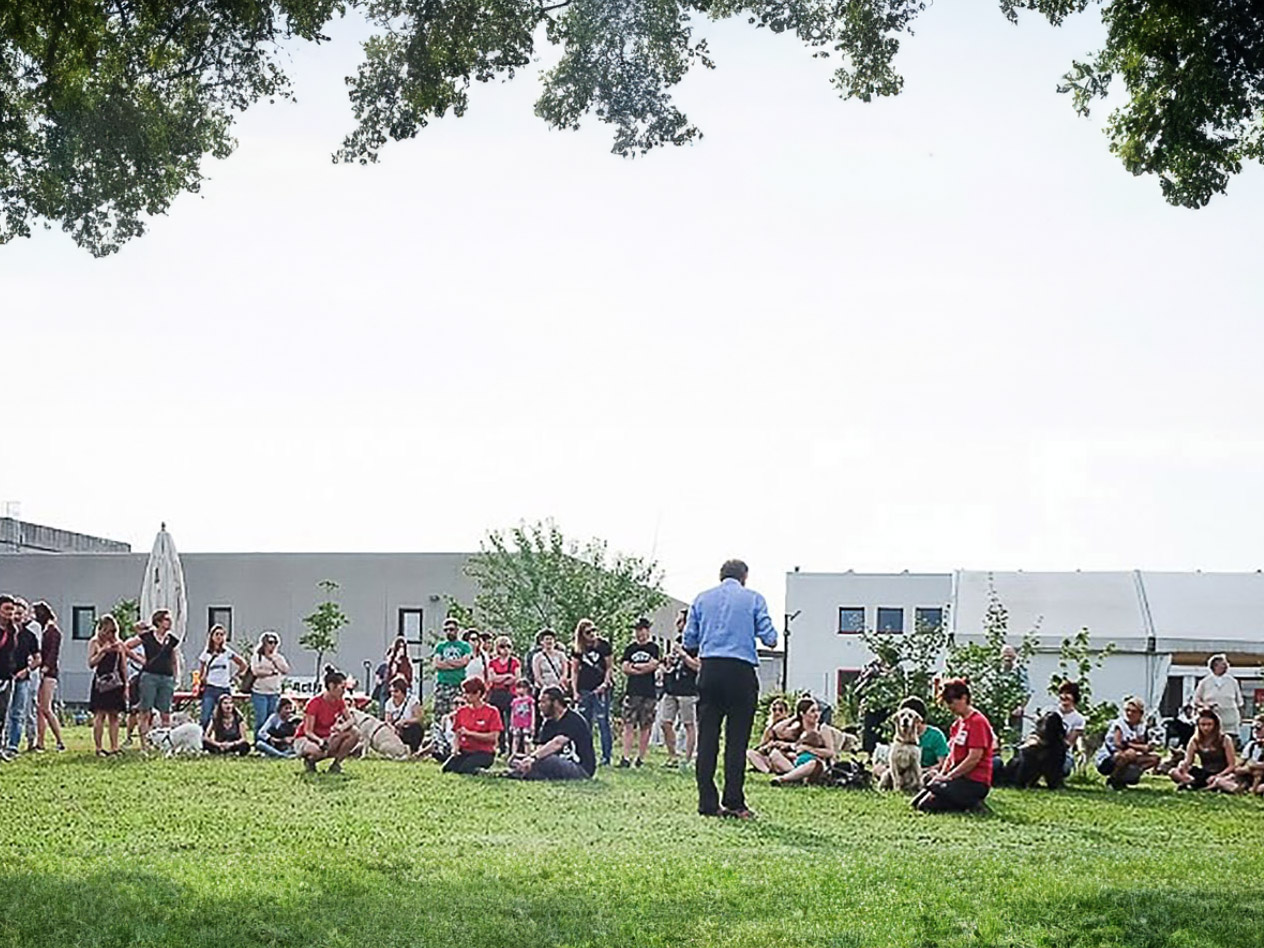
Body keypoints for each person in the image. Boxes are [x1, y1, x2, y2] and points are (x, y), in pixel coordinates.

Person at [685, 559, 779, 819]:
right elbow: (770, 638)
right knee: (736, 741)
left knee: (707, 739)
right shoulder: (754, 599)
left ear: (721, 576)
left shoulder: (701, 599)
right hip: (740, 672)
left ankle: (707, 802)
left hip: (711, 670)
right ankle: (734, 801)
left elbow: (689, 639)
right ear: (744, 577)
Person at [912, 678, 994, 813]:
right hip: (957, 778)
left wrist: (949, 776)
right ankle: (956, 800)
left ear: (964, 698)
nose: (949, 707)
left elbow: (974, 758)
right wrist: (941, 774)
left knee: (927, 804)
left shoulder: (977, 722)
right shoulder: (957, 724)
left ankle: (973, 804)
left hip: (974, 781)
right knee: (917, 802)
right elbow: (951, 755)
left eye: (951, 702)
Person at [511, 686, 596, 780]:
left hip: (580, 767)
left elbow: (557, 743)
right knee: (515, 758)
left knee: (544, 760)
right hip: (556, 762)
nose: (540, 706)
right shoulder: (548, 723)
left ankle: (525, 772)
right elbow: (541, 747)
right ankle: (528, 772)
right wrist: (527, 758)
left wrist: (533, 758)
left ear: (555, 703)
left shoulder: (573, 719)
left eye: (543, 702)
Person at [125, 609, 181, 747]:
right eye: (166, 619)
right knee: (145, 711)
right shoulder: (147, 636)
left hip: (166, 676)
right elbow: (126, 646)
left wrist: (175, 676)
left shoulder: (171, 640)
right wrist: (139, 659)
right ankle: (145, 744)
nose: (169, 622)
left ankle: (165, 744)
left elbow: (174, 659)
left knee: (165, 712)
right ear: (159, 622)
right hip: (150, 675)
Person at [295, 665, 358, 773]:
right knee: (318, 751)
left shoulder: (339, 701)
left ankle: (336, 765)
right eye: (342, 688)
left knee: (354, 733)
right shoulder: (315, 703)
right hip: (307, 738)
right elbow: (308, 731)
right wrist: (319, 741)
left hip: (326, 737)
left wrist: (342, 727)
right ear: (332, 686)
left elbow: (351, 720)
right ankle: (310, 762)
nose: (344, 691)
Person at [659, 611, 701, 767]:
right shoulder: (677, 640)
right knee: (665, 722)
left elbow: (698, 666)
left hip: (688, 690)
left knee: (688, 724)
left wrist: (683, 655)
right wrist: (669, 662)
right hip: (671, 687)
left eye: (681, 622)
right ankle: (673, 756)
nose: (678, 625)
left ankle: (688, 758)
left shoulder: (697, 643)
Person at [571, 618, 614, 766]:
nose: (592, 634)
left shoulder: (603, 646)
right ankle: (586, 755)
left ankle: (606, 756)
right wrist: (575, 691)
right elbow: (575, 671)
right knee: (585, 722)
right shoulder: (578, 649)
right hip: (585, 688)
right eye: (589, 632)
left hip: (601, 688)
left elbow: (609, 667)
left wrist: (605, 683)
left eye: (594, 631)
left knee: (603, 722)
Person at [619, 618, 661, 767]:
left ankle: (640, 758)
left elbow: (654, 665)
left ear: (647, 631)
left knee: (646, 725)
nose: (640, 633)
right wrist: (639, 669)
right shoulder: (630, 648)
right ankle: (625, 757)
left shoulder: (653, 648)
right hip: (632, 690)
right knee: (629, 723)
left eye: (642, 630)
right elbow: (625, 667)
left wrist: (636, 667)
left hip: (648, 692)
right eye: (637, 630)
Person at [1094, 696, 1161, 790]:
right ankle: (1113, 779)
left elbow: (1142, 743)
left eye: (1134, 711)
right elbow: (1118, 743)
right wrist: (1138, 747)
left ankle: (1128, 776)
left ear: (1140, 714)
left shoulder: (1141, 727)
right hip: (1109, 758)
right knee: (1129, 754)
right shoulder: (1119, 724)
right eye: (1127, 710)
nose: (1130, 714)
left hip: (1131, 756)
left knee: (1155, 758)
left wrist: (1148, 747)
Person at [87, 615, 130, 756]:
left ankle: (114, 747)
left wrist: (126, 684)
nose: (110, 634)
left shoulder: (119, 644)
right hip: (101, 681)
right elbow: (91, 663)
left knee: (114, 715)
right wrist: (103, 652)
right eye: (108, 631)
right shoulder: (94, 642)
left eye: (113, 631)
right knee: (100, 714)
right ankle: (99, 747)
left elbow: (123, 665)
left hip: (116, 681)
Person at [769, 700, 837, 785]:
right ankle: (796, 776)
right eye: (812, 711)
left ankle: (783, 779)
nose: (816, 714)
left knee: (813, 764)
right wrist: (794, 717)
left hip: (815, 765)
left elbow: (830, 753)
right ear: (803, 714)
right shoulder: (798, 728)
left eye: (817, 710)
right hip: (796, 763)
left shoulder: (822, 729)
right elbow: (777, 729)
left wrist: (808, 749)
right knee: (774, 754)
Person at [442, 677, 502, 774]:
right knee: (447, 769)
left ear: (478, 693)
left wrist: (470, 734)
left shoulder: (492, 711)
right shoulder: (461, 711)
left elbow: (493, 737)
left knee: (465, 769)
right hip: (465, 750)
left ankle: (483, 771)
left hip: (484, 752)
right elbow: (457, 734)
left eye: (467, 693)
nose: (465, 696)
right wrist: (455, 748)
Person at [5, 598, 41, 755]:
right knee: (4, 713)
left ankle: (13, 745)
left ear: (25, 615)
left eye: (19, 613)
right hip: (5, 677)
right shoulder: (5, 633)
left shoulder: (29, 636)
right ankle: (3, 743)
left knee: (18, 713)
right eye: (14, 613)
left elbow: (38, 658)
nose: (16, 616)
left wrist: (26, 670)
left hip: (22, 679)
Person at [1170, 708, 1236, 791]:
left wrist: (1218, 775)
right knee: (1174, 772)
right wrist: (1182, 766)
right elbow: (1188, 762)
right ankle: (1192, 783)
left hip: (1222, 773)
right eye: (1203, 725)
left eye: (1209, 724)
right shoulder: (1195, 740)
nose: (1206, 728)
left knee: (1222, 781)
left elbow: (1231, 765)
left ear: (1215, 725)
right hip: (1204, 772)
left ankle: (1203, 787)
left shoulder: (1225, 739)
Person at [196, 624, 247, 728]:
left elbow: (242, 663)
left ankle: (224, 737)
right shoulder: (206, 653)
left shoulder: (227, 652)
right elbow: (201, 670)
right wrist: (202, 679)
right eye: (217, 634)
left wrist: (235, 676)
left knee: (226, 715)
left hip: (224, 687)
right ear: (212, 636)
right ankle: (204, 738)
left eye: (221, 634)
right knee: (206, 716)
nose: (219, 637)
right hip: (211, 687)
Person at [32, 602, 65, 752]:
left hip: (49, 673)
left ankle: (59, 740)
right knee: (40, 709)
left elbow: (53, 653)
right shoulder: (46, 630)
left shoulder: (53, 632)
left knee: (46, 707)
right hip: (43, 671)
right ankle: (40, 742)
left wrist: (45, 668)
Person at [1193, 654, 1243, 745]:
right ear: (1214, 666)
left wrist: (1240, 718)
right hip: (1212, 718)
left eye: (1226, 664)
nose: (1225, 666)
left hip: (1230, 718)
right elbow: (1196, 700)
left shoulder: (1232, 681)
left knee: (1230, 742)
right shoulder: (1205, 682)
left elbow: (1239, 702)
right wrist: (1206, 706)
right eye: (1222, 664)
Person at [250, 631, 290, 741]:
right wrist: (271, 672)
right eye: (270, 642)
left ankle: (270, 741)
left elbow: (285, 669)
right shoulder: (257, 656)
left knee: (272, 719)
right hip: (260, 692)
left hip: (274, 692)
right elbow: (256, 671)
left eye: (275, 642)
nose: (272, 645)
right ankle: (258, 742)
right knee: (261, 719)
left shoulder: (278, 657)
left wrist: (273, 658)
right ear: (264, 643)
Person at [1211, 715, 1264, 795]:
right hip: (1248, 777)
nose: (1255, 731)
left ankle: (1249, 789)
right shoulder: (1251, 745)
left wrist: (1253, 766)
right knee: (1220, 780)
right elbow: (1240, 764)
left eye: (1258, 728)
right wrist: (1243, 769)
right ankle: (1242, 789)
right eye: (1253, 728)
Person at [486, 636, 521, 755]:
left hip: (510, 694)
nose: (505, 649)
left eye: (508, 646)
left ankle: (512, 747)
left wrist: (500, 678)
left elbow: (516, 678)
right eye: (502, 646)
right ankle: (501, 746)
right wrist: (506, 676)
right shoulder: (493, 662)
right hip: (496, 694)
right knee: (498, 722)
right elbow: (492, 678)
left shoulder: (514, 661)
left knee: (511, 721)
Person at [431, 618, 471, 719]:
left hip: (458, 684)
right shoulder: (440, 646)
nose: (449, 632)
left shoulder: (464, 646)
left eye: (451, 629)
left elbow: (464, 662)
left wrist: (446, 662)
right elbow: (437, 664)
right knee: (440, 713)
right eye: (446, 630)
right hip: (442, 684)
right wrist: (455, 664)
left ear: (457, 630)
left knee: (459, 713)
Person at [746, 697, 795, 773]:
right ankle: (766, 770)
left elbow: (796, 746)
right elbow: (760, 749)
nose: (777, 713)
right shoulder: (769, 729)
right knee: (750, 753)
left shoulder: (791, 727)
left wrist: (783, 745)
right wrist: (768, 746)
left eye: (780, 710)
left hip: (785, 756)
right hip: (769, 757)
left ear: (786, 712)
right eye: (774, 710)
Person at [382, 675, 424, 753]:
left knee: (416, 728)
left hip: (409, 729)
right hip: (396, 730)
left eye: (396, 691)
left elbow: (418, 718)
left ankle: (413, 749)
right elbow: (387, 720)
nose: (393, 694)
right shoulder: (389, 703)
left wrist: (405, 721)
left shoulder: (412, 700)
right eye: (391, 692)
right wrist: (392, 728)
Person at [999, 644, 1032, 743]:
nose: (1007, 659)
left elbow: (1026, 691)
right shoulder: (996, 671)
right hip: (999, 710)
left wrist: (1020, 707)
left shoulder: (1019, 671)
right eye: (1005, 656)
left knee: (1014, 739)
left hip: (1014, 710)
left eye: (1010, 657)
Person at [1054, 681, 1086, 775]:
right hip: (1042, 748)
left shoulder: (1079, 719)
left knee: (1065, 767)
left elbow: (1069, 742)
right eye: (1062, 693)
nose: (1064, 696)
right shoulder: (1049, 711)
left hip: (1062, 751)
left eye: (1068, 693)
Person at [0, 595, 16, 761]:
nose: (9, 613)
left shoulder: (12, 632)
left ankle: (1, 747)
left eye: (11, 609)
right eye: (6, 609)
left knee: (2, 714)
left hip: (6, 677)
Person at [530, 628, 568, 693]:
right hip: (543, 688)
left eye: (551, 639)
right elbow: (537, 675)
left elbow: (565, 671)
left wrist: (561, 681)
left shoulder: (561, 655)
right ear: (542, 642)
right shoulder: (537, 657)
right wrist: (545, 687)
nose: (549, 641)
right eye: (547, 639)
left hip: (558, 687)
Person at [509, 678, 535, 756]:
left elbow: (532, 712)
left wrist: (532, 724)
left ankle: (528, 754)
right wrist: (511, 723)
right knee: (516, 739)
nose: (520, 690)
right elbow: (513, 713)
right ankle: (514, 754)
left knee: (526, 740)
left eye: (523, 687)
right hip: (517, 723)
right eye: (518, 687)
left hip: (527, 722)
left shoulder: (530, 700)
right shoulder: (515, 701)